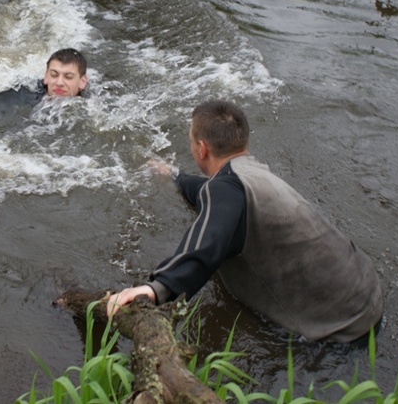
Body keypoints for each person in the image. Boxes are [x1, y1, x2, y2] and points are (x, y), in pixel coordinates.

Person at [107, 99, 383, 344]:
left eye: (191, 140)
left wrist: (156, 289)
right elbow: (209, 190)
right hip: (366, 291)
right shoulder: (250, 172)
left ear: (202, 149)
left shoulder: (227, 189)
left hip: (341, 329)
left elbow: (208, 242)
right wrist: (174, 177)